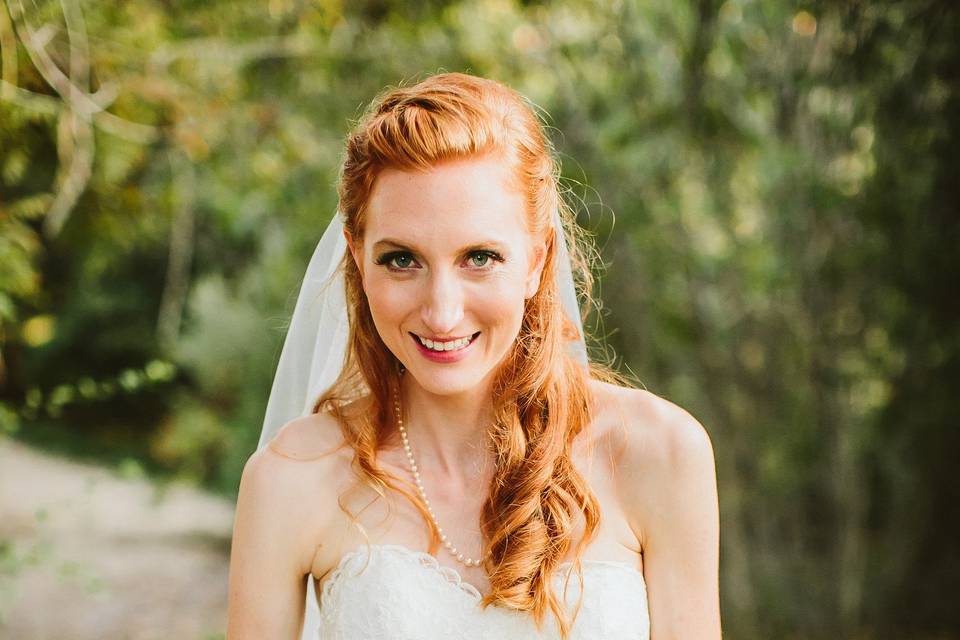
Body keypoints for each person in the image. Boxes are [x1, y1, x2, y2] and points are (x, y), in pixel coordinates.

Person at [226, 72, 720, 640]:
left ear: (537, 262)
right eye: (402, 260)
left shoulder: (659, 454)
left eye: (479, 257)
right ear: (359, 261)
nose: (441, 312)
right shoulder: (291, 479)